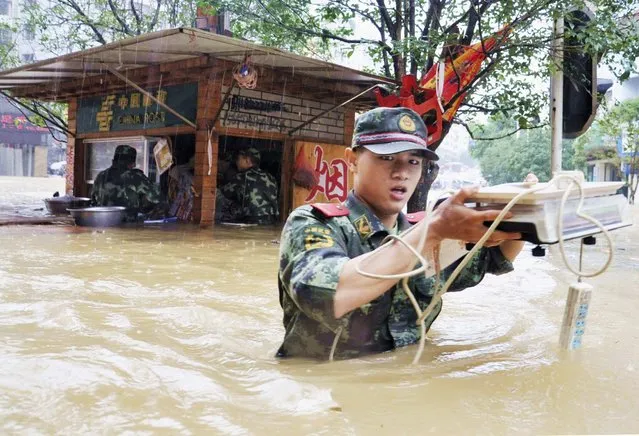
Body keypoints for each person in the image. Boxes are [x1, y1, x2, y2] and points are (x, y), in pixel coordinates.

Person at [276, 107, 525, 360]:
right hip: (324, 390)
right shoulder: (313, 223)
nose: (402, 172)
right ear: (352, 161)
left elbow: (494, 258)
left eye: (413, 161)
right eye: (387, 158)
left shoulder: (425, 231)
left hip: (408, 387)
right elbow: (329, 295)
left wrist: (526, 216)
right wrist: (433, 230)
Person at [90, 144, 166, 222]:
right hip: (127, 228)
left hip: (102, 225)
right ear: (131, 163)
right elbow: (157, 197)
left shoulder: (100, 176)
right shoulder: (135, 177)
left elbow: (93, 202)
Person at [215, 147, 279, 225]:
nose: (237, 162)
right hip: (271, 220)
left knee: (217, 194)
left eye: (238, 159)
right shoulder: (270, 177)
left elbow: (224, 192)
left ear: (247, 160)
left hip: (251, 219)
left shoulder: (241, 177)